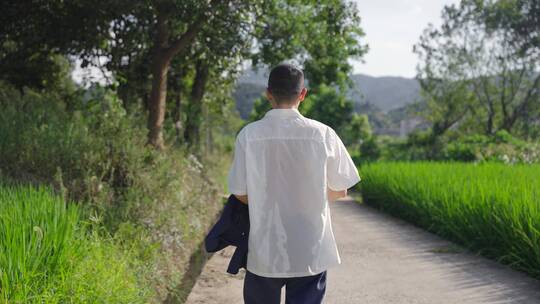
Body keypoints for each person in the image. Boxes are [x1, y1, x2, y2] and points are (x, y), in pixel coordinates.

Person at [227, 63, 361, 304]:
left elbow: (239, 192)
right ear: (303, 94)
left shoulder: (249, 135)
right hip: (311, 247)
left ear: (268, 93)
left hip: (265, 247)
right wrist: (307, 196)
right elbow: (340, 190)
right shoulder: (323, 134)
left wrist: (269, 199)